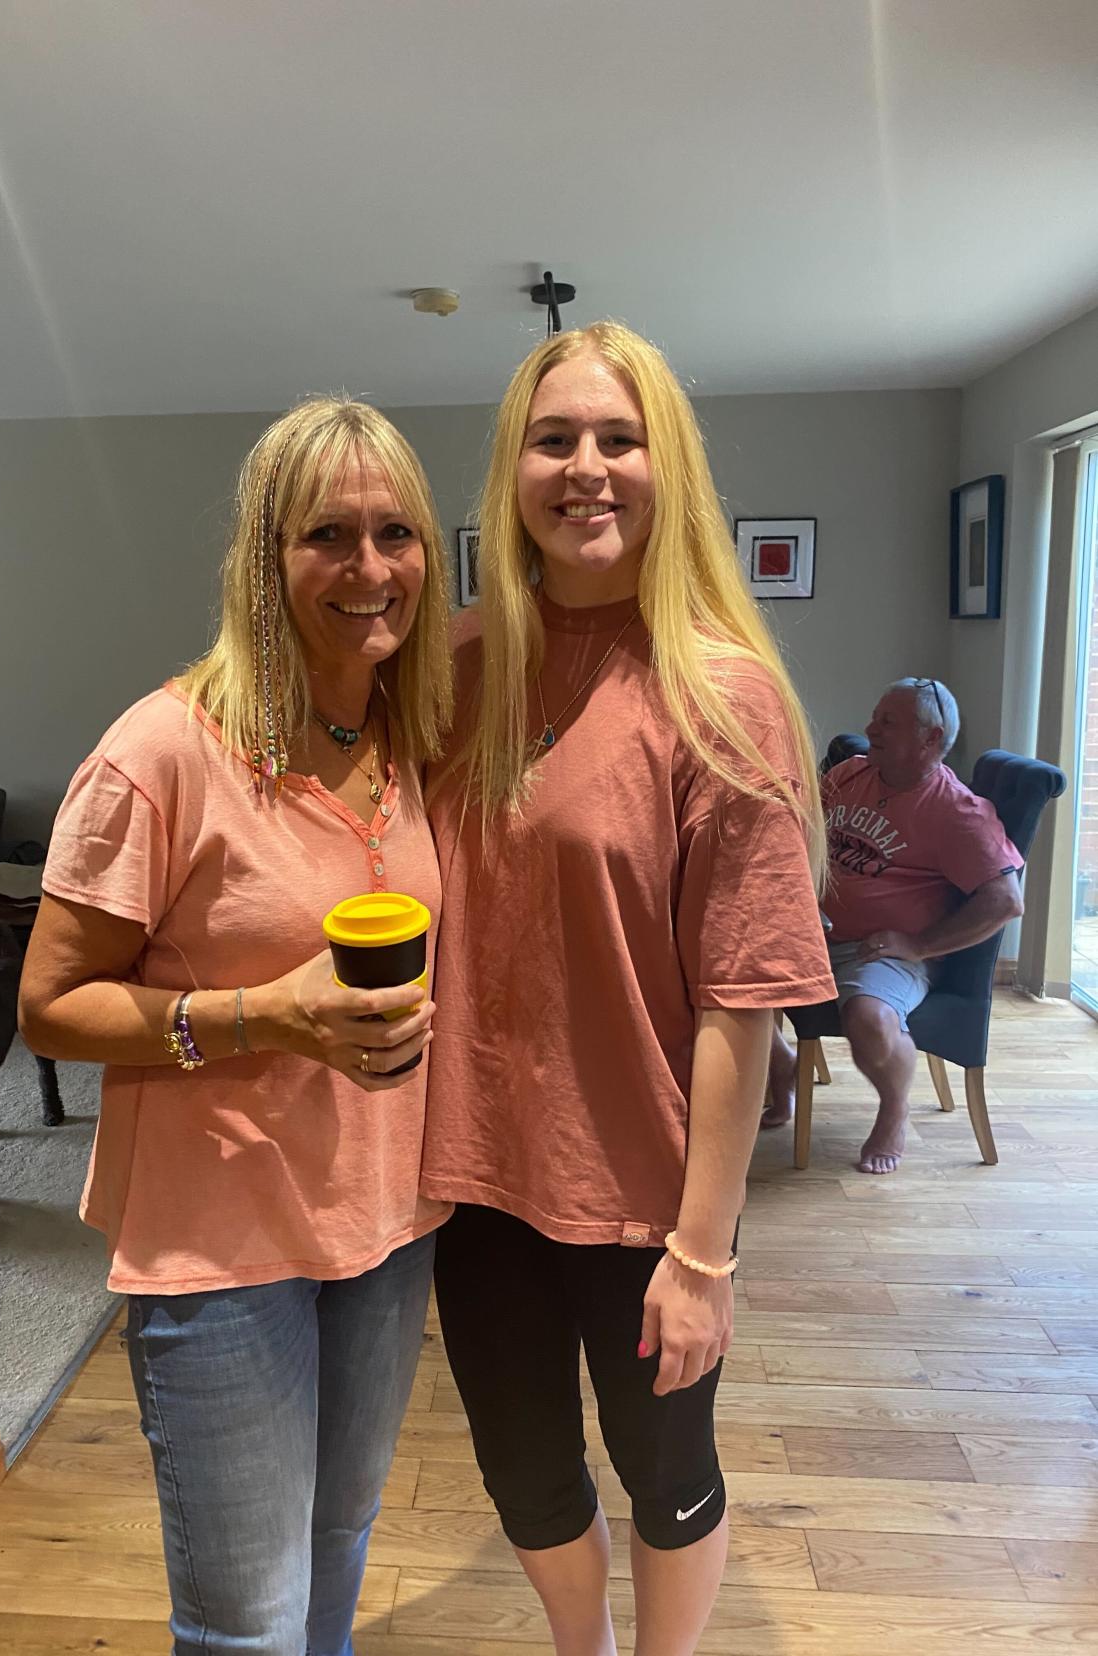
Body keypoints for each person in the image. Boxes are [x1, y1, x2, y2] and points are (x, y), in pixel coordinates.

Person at [421, 323, 835, 1656]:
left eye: (619, 437)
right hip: (477, 1173)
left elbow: (743, 998)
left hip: (646, 1195)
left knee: (665, 1483)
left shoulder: (718, 693)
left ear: (668, 467)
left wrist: (701, 1255)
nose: (586, 468)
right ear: (511, 471)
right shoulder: (456, 668)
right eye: (554, 440)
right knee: (525, 1475)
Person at [18, 398, 454, 1656]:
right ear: (265, 559)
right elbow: (50, 1006)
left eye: (397, 533)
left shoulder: (403, 731)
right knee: (243, 1617)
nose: (370, 570)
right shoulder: (161, 750)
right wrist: (264, 1017)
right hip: (222, 1242)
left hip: (384, 1221)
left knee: (337, 1552)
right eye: (329, 535)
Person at [762, 677, 1024, 1174]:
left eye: (888, 722)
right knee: (720, 974)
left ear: (930, 738)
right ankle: (784, 1068)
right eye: (875, 716)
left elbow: (1005, 900)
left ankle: (895, 1108)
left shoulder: (957, 812)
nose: (868, 729)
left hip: (879, 951)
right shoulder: (849, 774)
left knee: (870, 1020)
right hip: (813, 930)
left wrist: (919, 945)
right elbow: (801, 833)